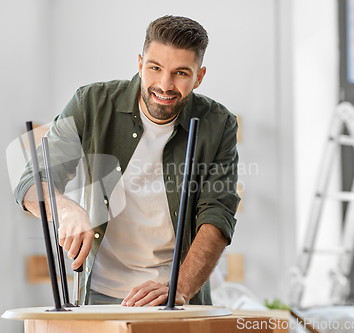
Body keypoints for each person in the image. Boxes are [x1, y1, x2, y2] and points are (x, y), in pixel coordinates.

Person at [15, 15, 240, 307]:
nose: (165, 84)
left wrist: (180, 288)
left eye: (181, 73)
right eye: (155, 68)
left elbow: (217, 215)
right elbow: (30, 183)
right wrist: (67, 210)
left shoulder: (218, 123)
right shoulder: (91, 103)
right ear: (139, 63)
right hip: (98, 296)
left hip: (175, 298)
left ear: (199, 76)